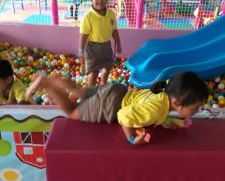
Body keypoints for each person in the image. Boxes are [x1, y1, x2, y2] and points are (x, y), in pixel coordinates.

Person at [25, 71, 208, 145]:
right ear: (177, 103)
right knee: (73, 112)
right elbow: (124, 116)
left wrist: (167, 122)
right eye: (196, 106)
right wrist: (131, 139)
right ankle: (48, 84)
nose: (198, 110)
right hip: (111, 105)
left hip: (117, 90)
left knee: (80, 92)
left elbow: (155, 111)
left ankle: (51, 79)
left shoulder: (166, 89)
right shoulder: (156, 108)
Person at [79, 0, 122, 86]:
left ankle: (103, 81)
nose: (100, 0)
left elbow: (114, 31)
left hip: (106, 46)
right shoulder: (88, 16)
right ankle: (91, 91)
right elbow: (83, 36)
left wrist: (119, 44)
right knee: (94, 73)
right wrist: (81, 51)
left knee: (108, 67)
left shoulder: (111, 14)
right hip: (92, 48)